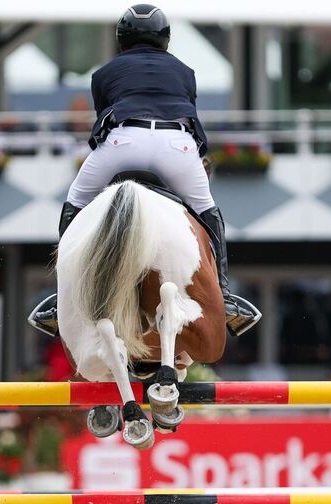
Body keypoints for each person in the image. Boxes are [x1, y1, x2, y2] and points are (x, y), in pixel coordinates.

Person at [29, 4, 255, 337]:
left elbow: (102, 119)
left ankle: (62, 299)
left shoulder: (103, 74)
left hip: (124, 143)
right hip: (175, 147)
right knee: (208, 212)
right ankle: (224, 295)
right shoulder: (185, 72)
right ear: (165, 38)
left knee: (75, 202)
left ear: (121, 39)